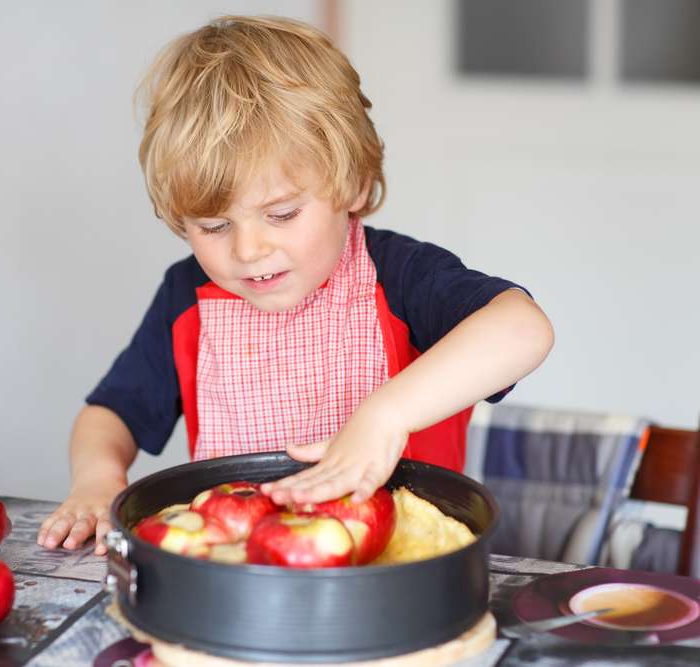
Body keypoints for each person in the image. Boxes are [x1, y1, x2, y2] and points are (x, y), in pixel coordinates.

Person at [37, 15, 554, 555]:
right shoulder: (187, 297)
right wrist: (97, 480)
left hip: (396, 564)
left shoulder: (399, 277)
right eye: (213, 226)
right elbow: (110, 413)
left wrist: (385, 416)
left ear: (351, 183)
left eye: (281, 214)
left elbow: (523, 328)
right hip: (238, 565)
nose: (248, 250)